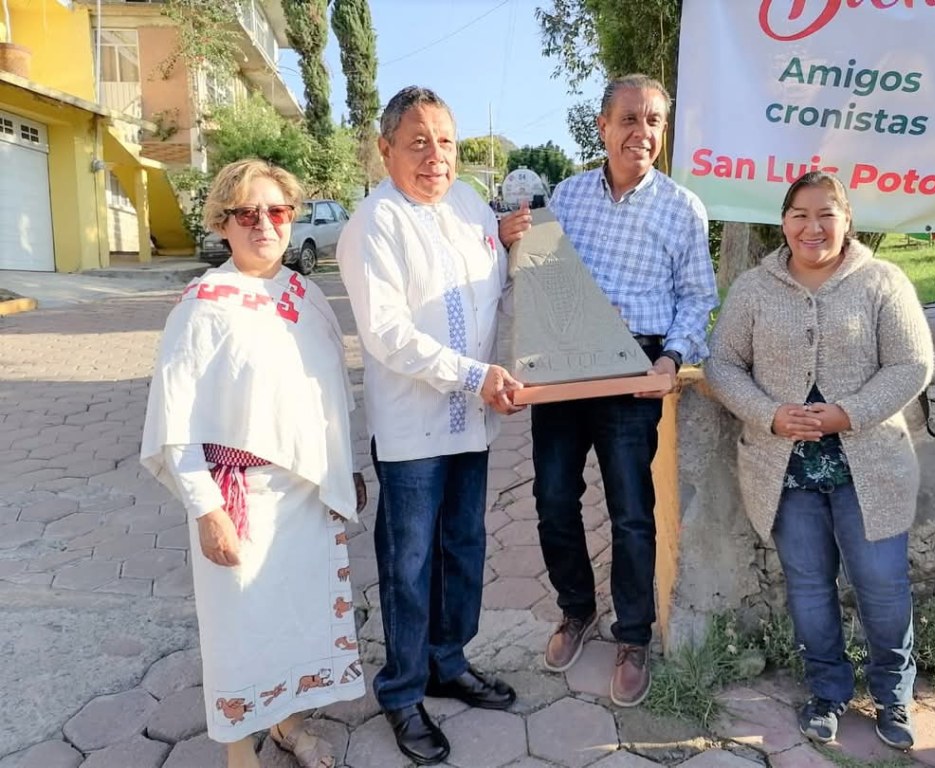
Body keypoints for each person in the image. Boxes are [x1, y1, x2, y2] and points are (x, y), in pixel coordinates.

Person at [501, 73, 718, 707]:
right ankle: (576, 610)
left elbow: (697, 299)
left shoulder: (682, 208)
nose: (641, 132)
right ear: (602, 126)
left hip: (635, 376)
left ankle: (632, 636)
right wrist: (511, 243)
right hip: (565, 372)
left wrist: (672, 359)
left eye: (653, 121)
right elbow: (534, 281)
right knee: (552, 500)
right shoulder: (565, 197)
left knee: (630, 511)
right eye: (628, 119)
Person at [141, 159, 367, 768]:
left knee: (296, 623)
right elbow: (176, 422)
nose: (264, 223)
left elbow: (331, 397)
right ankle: (241, 750)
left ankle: (289, 725)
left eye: (277, 211)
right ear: (223, 224)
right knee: (240, 632)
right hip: (239, 497)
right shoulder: (203, 307)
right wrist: (205, 510)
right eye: (248, 213)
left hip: (305, 499)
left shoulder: (306, 295)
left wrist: (346, 469)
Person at [705, 171, 933, 750]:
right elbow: (722, 364)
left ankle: (893, 694)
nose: (812, 226)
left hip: (871, 469)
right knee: (809, 588)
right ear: (783, 222)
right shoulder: (756, 289)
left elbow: (912, 364)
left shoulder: (883, 281)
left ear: (848, 219)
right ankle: (828, 691)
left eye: (826, 213)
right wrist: (770, 415)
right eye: (799, 214)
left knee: (882, 585)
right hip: (786, 473)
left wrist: (846, 413)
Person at [338, 86, 524, 766]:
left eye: (445, 141)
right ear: (386, 150)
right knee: (409, 564)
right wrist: (479, 377)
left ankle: (449, 662)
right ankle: (402, 690)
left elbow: (502, 283)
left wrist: (513, 244)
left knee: (464, 548)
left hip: (472, 421)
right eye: (417, 142)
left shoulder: (472, 204)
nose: (435, 156)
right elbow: (387, 336)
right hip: (415, 430)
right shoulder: (373, 223)